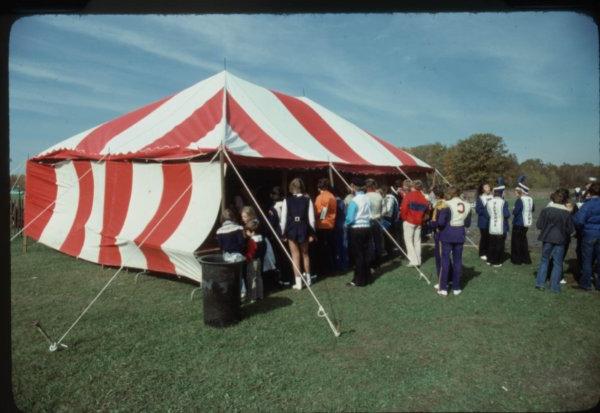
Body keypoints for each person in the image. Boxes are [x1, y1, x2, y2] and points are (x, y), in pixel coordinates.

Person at [535, 190, 575, 293]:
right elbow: (571, 230)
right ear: (565, 200)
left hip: (547, 238)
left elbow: (539, 225)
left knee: (544, 260)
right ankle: (554, 287)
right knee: (557, 263)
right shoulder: (566, 213)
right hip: (560, 240)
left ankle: (540, 283)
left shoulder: (546, 210)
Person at [280, 178, 316, 290]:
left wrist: (282, 233)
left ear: (291, 188)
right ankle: (308, 280)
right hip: (304, 228)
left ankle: (298, 283)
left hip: (291, 229)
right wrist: (312, 233)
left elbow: (283, 219)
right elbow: (312, 220)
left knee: (295, 256)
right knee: (305, 254)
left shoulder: (287, 200)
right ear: (302, 187)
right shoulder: (307, 200)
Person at [435, 187, 472, 296]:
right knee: (458, 261)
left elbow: (441, 222)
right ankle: (456, 287)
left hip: (447, 234)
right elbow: (468, 223)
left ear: (449, 194)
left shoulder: (446, 204)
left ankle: (443, 287)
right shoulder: (467, 205)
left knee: (445, 260)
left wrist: (437, 226)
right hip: (459, 234)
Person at [344, 177, 372, 286]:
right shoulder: (366, 198)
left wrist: (346, 224)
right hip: (367, 227)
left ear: (354, 187)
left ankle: (359, 280)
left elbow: (350, 218)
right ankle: (367, 276)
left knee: (358, 255)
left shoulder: (354, 201)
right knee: (365, 253)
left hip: (356, 228)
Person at [573, 182, 600, 291]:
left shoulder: (588, 204)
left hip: (589, 234)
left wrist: (582, 230)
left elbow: (578, 220)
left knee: (587, 260)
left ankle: (585, 283)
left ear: (590, 192)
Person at [216, 208, 247, 298]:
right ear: (233, 217)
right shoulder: (238, 228)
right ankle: (242, 292)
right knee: (239, 275)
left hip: (227, 256)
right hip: (237, 255)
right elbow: (242, 243)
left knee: (229, 275)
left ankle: (230, 292)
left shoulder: (220, 231)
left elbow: (221, 246)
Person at [400, 179, 429, 267]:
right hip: (419, 221)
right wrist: (422, 219)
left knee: (409, 241)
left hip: (409, 220)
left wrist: (404, 218)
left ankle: (414, 260)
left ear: (412, 186)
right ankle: (418, 260)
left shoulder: (408, 196)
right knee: (417, 241)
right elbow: (427, 212)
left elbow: (404, 208)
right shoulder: (424, 197)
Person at [313, 178, 337, 277]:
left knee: (323, 249)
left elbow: (323, 210)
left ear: (319, 187)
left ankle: (325, 270)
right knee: (330, 248)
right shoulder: (332, 196)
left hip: (323, 225)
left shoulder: (321, 197)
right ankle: (332, 268)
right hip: (331, 224)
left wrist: (317, 217)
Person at [486, 178, 510, 267]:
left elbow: (488, 214)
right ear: (501, 193)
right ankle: (497, 261)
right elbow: (507, 214)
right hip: (501, 226)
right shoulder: (504, 202)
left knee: (492, 243)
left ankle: (490, 260)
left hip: (492, 226)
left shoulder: (489, 202)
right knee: (499, 245)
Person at [510, 176, 534, 265]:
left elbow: (515, 212)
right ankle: (526, 259)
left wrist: (513, 209)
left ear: (521, 192)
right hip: (526, 223)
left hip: (518, 223)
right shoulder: (530, 199)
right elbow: (533, 209)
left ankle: (517, 260)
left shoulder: (519, 200)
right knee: (524, 241)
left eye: (516, 191)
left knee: (516, 242)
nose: (515, 193)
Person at [429, 186, 448, 287]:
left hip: (440, 233)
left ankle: (442, 281)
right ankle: (448, 276)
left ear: (436, 195)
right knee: (446, 256)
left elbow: (436, 221)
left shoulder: (440, 204)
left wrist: (431, 224)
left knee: (440, 258)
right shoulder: (446, 202)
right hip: (447, 232)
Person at [244, 219, 265, 302]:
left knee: (252, 278)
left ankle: (253, 297)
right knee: (259, 277)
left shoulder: (252, 241)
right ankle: (260, 295)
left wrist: (246, 258)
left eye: (247, 231)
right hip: (259, 260)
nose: (246, 233)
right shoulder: (261, 239)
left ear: (252, 232)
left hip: (252, 261)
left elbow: (251, 253)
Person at [365, 178, 384, 269]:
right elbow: (385, 210)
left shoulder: (365, 196)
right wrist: (380, 215)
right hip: (378, 220)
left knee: (370, 242)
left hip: (369, 221)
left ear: (367, 187)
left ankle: (371, 261)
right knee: (377, 241)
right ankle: (378, 261)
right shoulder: (379, 196)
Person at [475, 182, 493, 261]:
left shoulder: (493, 196)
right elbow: (478, 210)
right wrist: (488, 214)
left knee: (491, 238)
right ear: (483, 189)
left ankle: (489, 252)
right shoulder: (480, 198)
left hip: (492, 222)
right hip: (483, 222)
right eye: (486, 187)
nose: (488, 188)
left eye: (488, 186)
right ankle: (482, 253)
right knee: (484, 237)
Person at [380, 184, 399, 260]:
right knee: (387, 237)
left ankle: (391, 253)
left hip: (389, 220)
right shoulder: (388, 197)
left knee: (389, 237)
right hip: (388, 219)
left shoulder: (390, 198)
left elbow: (388, 210)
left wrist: (380, 213)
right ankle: (389, 252)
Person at [333, 192, 349, 272]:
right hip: (343, 225)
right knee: (344, 244)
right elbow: (346, 214)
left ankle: (339, 264)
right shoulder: (343, 202)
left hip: (336, 226)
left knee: (338, 245)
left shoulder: (334, 202)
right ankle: (345, 264)